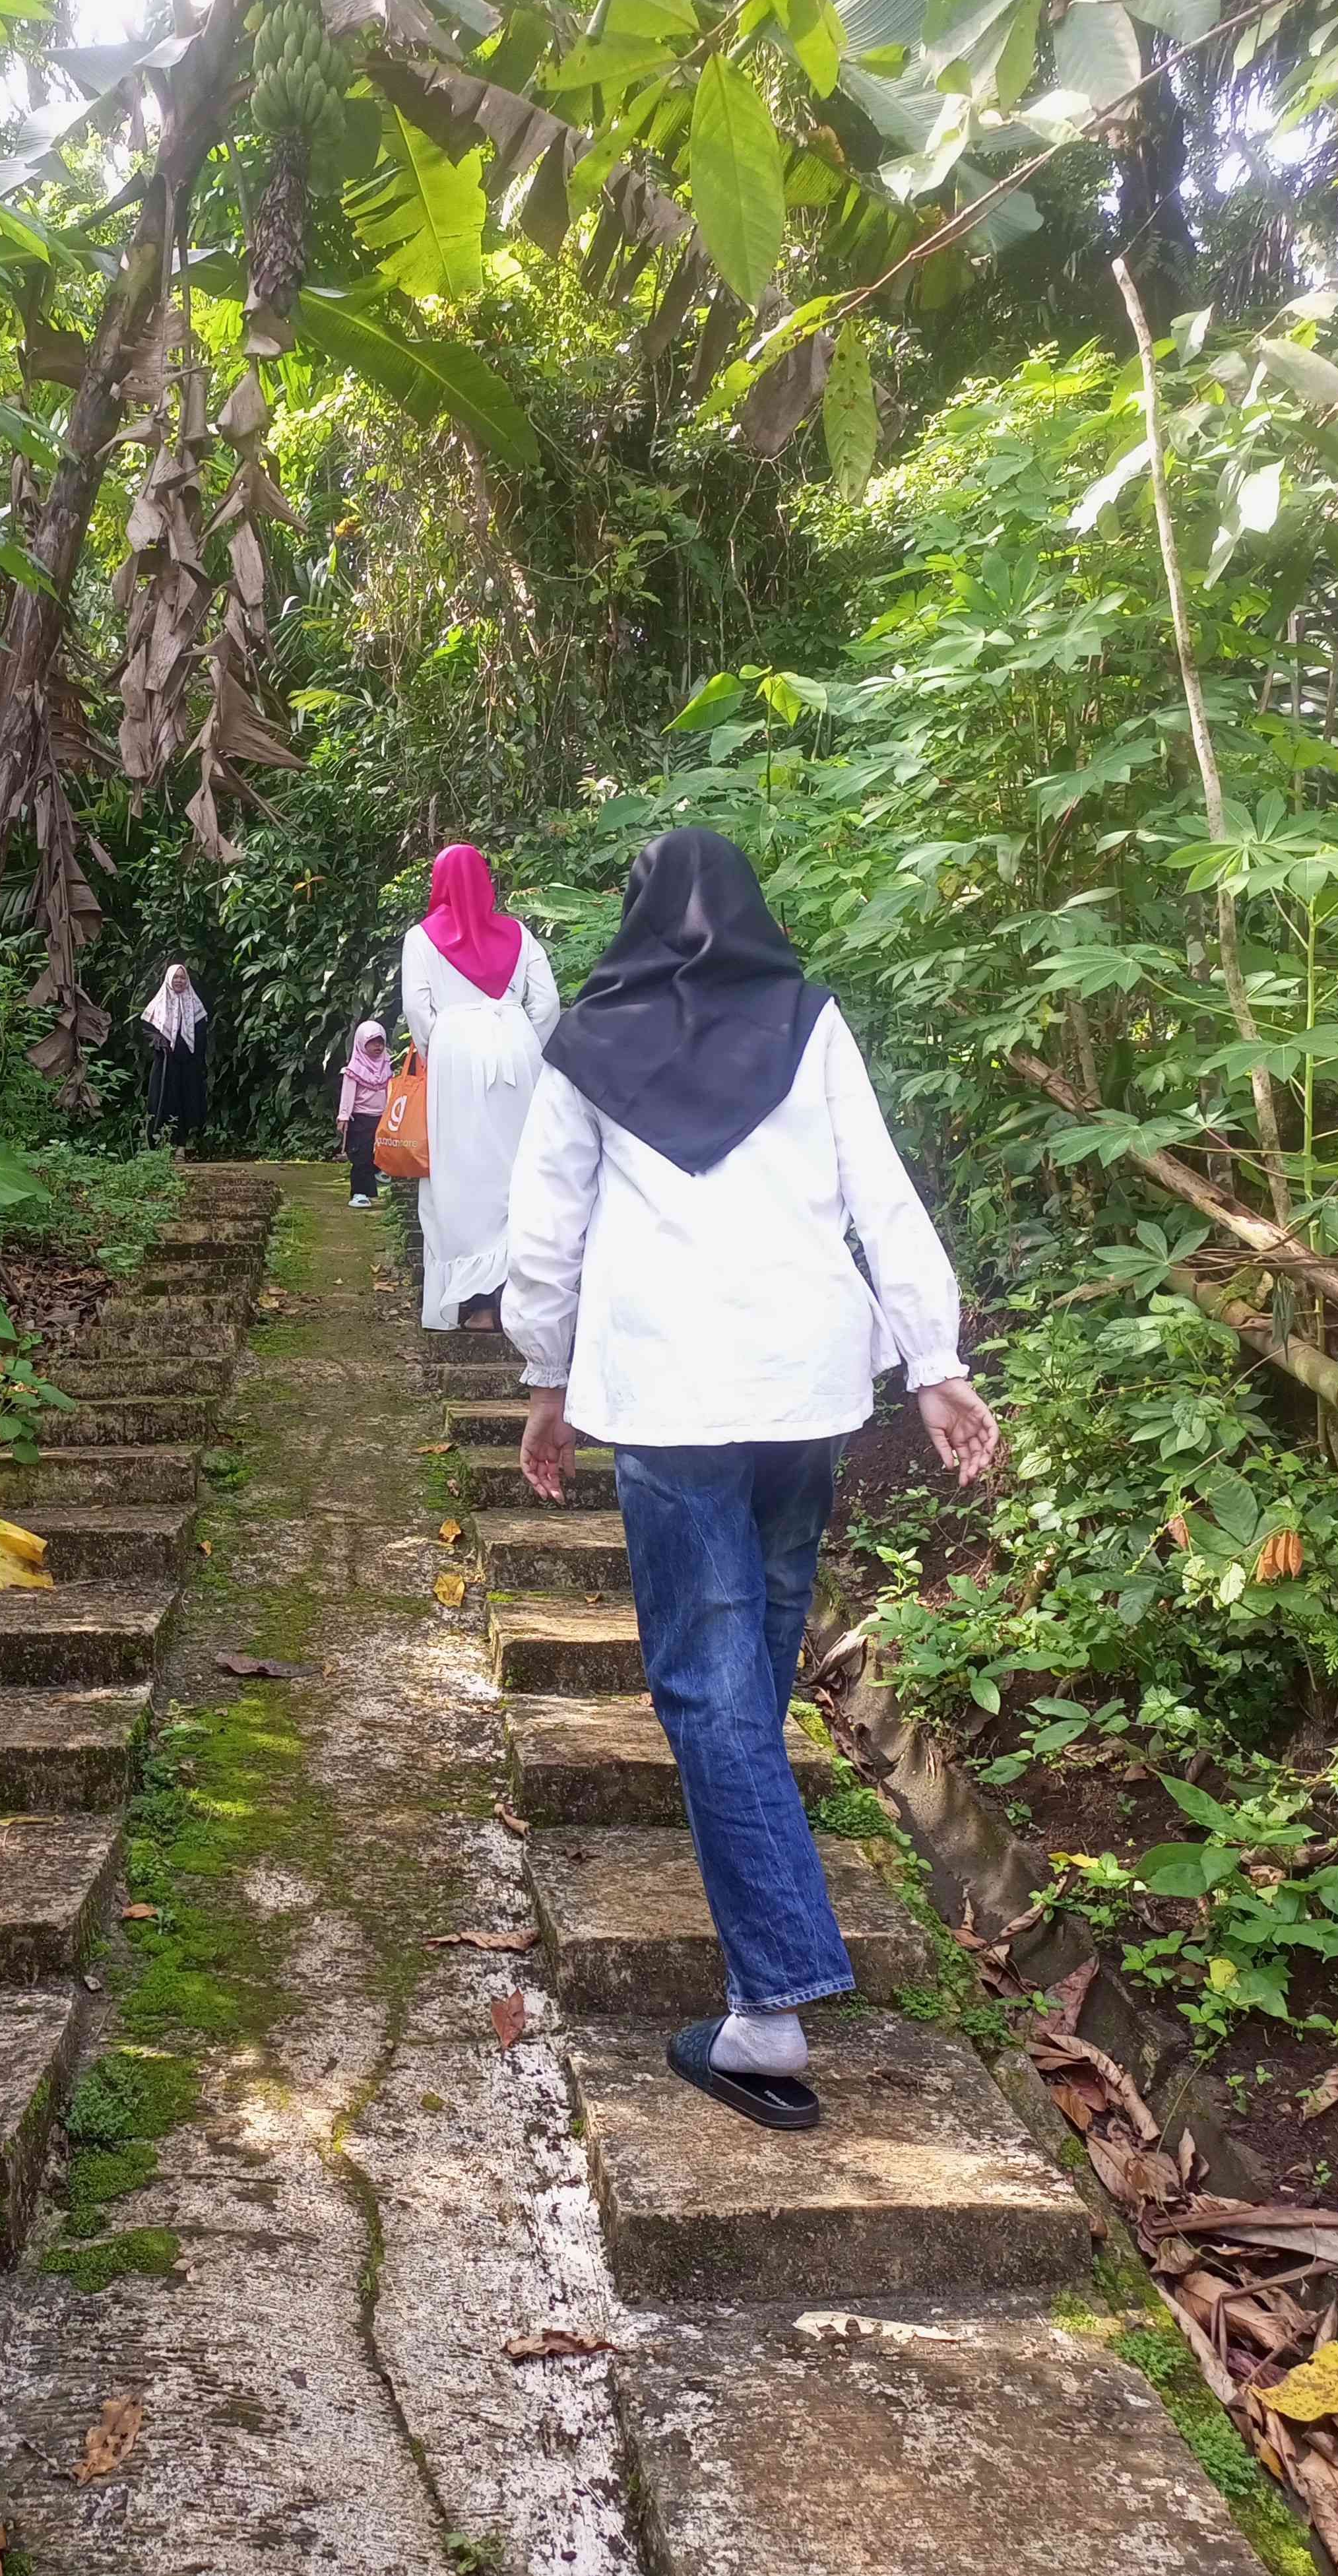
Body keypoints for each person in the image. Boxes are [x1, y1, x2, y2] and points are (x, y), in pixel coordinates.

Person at [503, 828, 998, 2134]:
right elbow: (881, 1196)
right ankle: (751, 1986)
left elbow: (545, 1240)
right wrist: (933, 1359)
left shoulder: (593, 1040)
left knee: (709, 1688)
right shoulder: (808, 1020)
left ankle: (772, 1999)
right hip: (804, 1389)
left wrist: (546, 1385)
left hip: (668, 1396)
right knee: (753, 1667)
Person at [401, 843, 559, 1331]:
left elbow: (417, 1012)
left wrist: (442, 1054)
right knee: (521, 1170)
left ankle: (476, 1303)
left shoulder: (421, 939)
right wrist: (523, 1041)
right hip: (517, 1048)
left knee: (461, 1176)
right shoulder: (519, 933)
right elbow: (548, 1004)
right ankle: (522, 1293)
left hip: (455, 1057)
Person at [142, 962, 208, 1146]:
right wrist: (160, 1042)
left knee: (185, 1101)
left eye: (182, 977)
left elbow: (201, 1030)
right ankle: (157, 1147)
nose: (179, 981)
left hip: (187, 1063)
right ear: (169, 979)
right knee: (161, 1100)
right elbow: (147, 1030)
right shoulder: (159, 1002)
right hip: (165, 1062)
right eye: (176, 977)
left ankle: (181, 1147)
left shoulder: (195, 1004)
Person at [336, 1019, 392, 1207]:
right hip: (360, 1118)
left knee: (380, 1152)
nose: (378, 1046)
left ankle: (378, 1174)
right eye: (373, 1042)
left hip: (382, 1118)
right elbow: (348, 1094)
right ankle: (359, 1194)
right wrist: (344, 1116)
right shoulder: (354, 1069)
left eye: (381, 1042)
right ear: (361, 1043)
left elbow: (389, 1089)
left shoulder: (386, 1064)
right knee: (361, 1157)